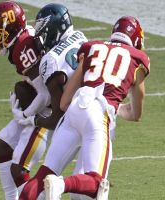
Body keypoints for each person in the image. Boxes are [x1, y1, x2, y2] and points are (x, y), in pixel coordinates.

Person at [22, 15, 150, 200]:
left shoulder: (92, 47)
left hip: (75, 108)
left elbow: (64, 102)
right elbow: (136, 113)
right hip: (98, 114)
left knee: (42, 176)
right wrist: (117, 107)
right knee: (98, 184)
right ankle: (61, 184)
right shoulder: (137, 57)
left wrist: (114, 108)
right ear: (137, 40)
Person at [17, 3, 92, 200]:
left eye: (44, 31)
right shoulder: (83, 38)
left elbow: (58, 116)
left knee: (42, 184)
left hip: (73, 121)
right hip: (96, 118)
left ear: (54, 28)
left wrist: (33, 119)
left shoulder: (50, 60)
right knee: (84, 190)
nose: (41, 38)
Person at [0, 1, 52, 199]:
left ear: (12, 28)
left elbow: (46, 94)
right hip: (38, 108)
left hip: (46, 113)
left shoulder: (23, 48)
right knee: (3, 144)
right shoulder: (22, 41)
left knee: (19, 169)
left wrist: (25, 114)